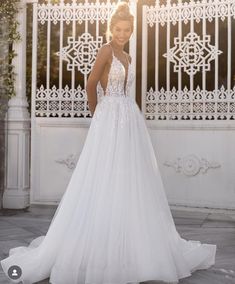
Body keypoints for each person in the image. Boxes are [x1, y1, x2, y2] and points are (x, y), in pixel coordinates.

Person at [1, 2, 216, 284]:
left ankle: (131, 240)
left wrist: (124, 112)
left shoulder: (127, 56)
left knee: (130, 177)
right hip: (109, 116)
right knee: (103, 175)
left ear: (131, 31)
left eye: (127, 30)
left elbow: (127, 88)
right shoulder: (106, 50)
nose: (122, 34)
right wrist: (98, 113)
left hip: (129, 118)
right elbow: (90, 85)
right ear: (110, 28)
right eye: (118, 29)